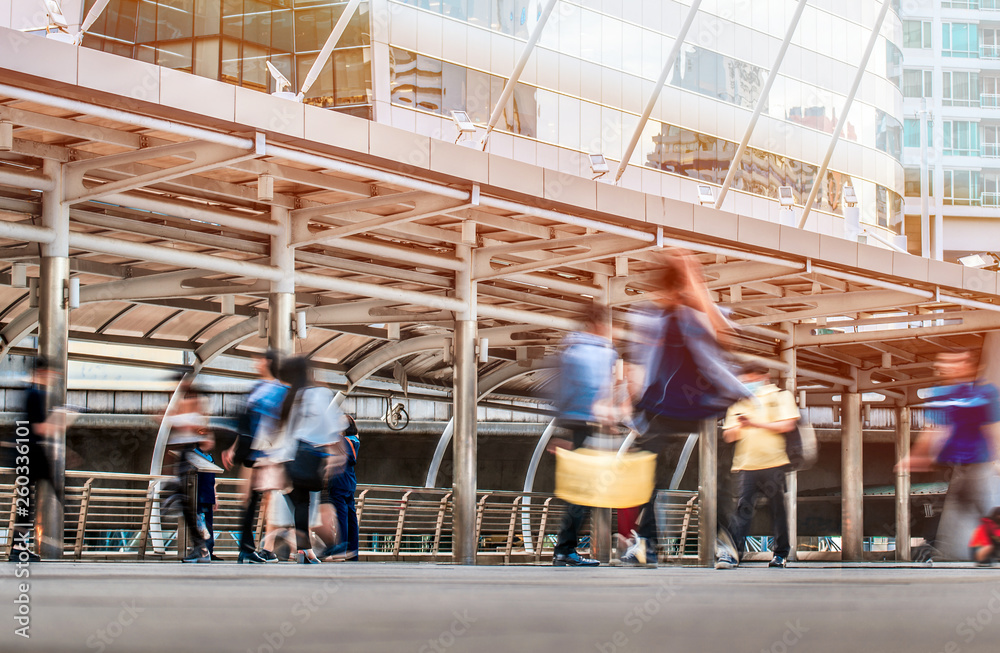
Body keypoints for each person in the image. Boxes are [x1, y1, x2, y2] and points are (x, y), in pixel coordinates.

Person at [620, 252, 750, 567]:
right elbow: (635, 364)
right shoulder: (647, 318)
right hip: (660, 406)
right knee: (644, 474)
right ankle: (647, 543)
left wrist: (694, 276)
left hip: (705, 402)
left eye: (669, 291)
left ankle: (727, 543)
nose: (661, 297)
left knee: (717, 479)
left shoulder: (697, 313)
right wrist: (627, 407)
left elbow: (725, 335)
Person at [899, 350, 1000, 560]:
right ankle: (969, 550)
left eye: (955, 362)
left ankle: (981, 549)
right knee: (970, 506)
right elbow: (934, 430)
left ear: (969, 366)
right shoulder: (941, 394)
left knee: (980, 505)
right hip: (957, 465)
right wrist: (918, 456)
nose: (947, 367)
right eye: (944, 363)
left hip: (979, 464)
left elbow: (992, 427)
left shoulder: (983, 393)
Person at [550, 303, 618, 567]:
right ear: (599, 325)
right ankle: (565, 549)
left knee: (582, 489)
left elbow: (563, 390)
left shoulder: (571, 349)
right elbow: (597, 389)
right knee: (584, 490)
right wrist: (607, 419)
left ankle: (565, 549)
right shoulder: (600, 352)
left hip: (576, 423)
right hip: (590, 425)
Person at [720, 363, 800, 569]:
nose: (749, 384)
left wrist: (755, 423)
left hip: (775, 463)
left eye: (752, 379)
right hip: (746, 464)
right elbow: (728, 435)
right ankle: (733, 553)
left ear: (764, 377)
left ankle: (780, 554)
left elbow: (787, 424)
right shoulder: (738, 403)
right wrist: (741, 425)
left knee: (777, 509)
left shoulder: (780, 396)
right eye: (745, 381)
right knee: (742, 509)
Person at [275, 356, 348, 564]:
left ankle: (303, 549)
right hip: (307, 457)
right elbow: (330, 425)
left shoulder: (290, 396)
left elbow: (280, 429)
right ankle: (303, 549)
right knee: (304, 504)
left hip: (286, 459)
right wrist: (336, 453)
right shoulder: (318, 394)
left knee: (299, 505)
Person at [222, 349, 287, 564]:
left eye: (259, 359)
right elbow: (246, 425)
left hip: (267, 453)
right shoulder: (258, 389)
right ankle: (248, 548)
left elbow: (277, 423)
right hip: (254, 453)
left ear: (268, 361)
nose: (255, 363)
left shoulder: (278, 390)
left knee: (267, 499)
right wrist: (234, 447)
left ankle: (260, 548)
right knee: (250, 500)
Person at [7, 356, 59, 563]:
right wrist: (62, 419)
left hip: (23, 453)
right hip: (30, 454)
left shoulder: (28, 392)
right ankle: (19, 548)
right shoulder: (37, 394)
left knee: (25, 502)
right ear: (43, 373)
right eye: (51, 373)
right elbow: (39, 428)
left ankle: (18, 547)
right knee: (26, 503)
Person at [164, 385, 213, 563]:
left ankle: (200, 547)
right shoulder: (181, 405)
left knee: (187, 504)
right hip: (180, 455)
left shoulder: (193, 404)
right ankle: (200, 547)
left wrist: (174, 419)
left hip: (187, 454)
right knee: (186, 505)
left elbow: (200, 431)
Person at [322, 415, 362, 561]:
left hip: (339, 482)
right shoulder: (354, 441)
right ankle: (353, 552)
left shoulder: (342, 441)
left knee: (341, 517)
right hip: (350, 483)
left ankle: (341, 550)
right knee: (351, 517)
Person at [192, 434, 219, 560]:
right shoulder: (195, 455)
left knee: (208, 524)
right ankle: (201, 550)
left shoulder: (210, 457)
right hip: (198, 495)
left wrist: (215, 496)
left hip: (208, 495)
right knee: (200, 523)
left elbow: (213, 480)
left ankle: (209, 550)